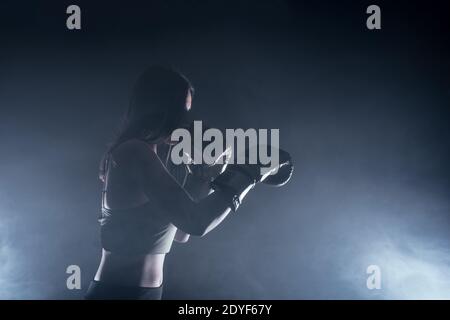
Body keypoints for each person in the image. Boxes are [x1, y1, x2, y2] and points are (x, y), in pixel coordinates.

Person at [85, 65, 293, 299]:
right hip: (116, 295)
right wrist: (250, 172)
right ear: (161, 109)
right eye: (182, 110)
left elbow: (181, 233)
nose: (186, 120)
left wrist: (207, 175)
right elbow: (196, 223)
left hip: (149, 293)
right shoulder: (134, 152)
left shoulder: (155, 156)